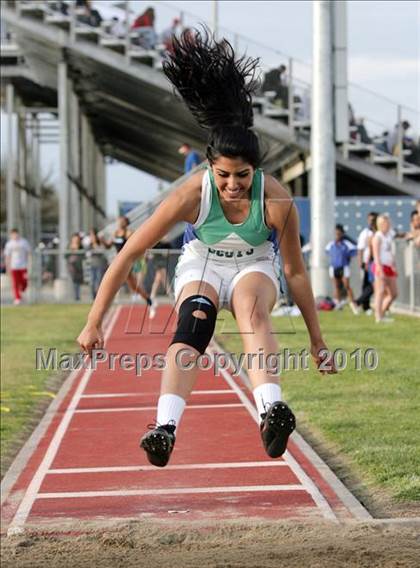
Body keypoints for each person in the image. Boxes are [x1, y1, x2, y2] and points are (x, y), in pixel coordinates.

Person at [77, 29, 336, 469]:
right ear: (209, 168)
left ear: (257, 170)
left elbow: (293, 273)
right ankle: (164, 428)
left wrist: (316, 338)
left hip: (255, 263)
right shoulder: (188, 197)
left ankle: (271, 410)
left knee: (252, 308)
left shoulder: (275, 201)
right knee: (194, 321)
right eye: (224, 176)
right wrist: (93, 321)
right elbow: (127, 255)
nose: (233, 186)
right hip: (203, 263)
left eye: (243, 176)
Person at [104, 215, 153, 307]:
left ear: (126, 223)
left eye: (121, 221)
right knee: (131, 285)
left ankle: (146, 297)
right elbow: (108, 246)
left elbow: (138, 243)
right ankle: (146, 298)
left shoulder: (128, 233)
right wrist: (102, 241)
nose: (119, 223)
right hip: (117, 260)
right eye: (119, 221)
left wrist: (143, 254)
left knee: (127, 283)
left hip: (126, 260)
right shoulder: (116, 233)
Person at [325, 224, 359, 313]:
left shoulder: (347, 244)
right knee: (336, 287)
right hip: (334, 268)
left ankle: (353, 304)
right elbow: (328, 252)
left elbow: (355, 249)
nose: (337, 235)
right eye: (336, 234)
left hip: (344, 267)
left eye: (339, 234)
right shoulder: (330, 244)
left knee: (347, 286)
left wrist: (348, 257)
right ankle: (338, 304)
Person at [371, 215, 398, 323]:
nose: (388, 225)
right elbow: (376, 254)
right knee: (380, 292)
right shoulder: (377, 236)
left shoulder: (388, 236)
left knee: (393, 293)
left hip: (389, 266)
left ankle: (381, 312)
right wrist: (379, 269)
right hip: (380, 266)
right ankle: (378, 316)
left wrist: (394, 265)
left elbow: (390, 252)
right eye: (385, 223)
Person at [355, 212, 378, 314]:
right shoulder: (365, 233)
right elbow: (360, 248)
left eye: (373, 220)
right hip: (369, 262)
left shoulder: (379, 232)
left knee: (368, 285)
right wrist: (361, 262)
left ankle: (365, 306)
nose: (371, 222)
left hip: (375, 261)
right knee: (372, 285)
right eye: (370, 219)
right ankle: (359, 302)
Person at [148, 235, 174, 318]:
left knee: (160, 278)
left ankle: (154, 296)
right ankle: (169, 294)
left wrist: (166, 251)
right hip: (157, 262)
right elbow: (151, 251)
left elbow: (170, 250)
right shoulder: (156, 242)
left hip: (162, 261)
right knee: (161, 277)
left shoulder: (166, 243)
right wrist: (150, 254)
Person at [4, 228, 31, 305]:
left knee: (24, 282)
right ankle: (17, 298)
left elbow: (28, 253)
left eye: (16, 234)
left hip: (23, 266)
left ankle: (22, 290)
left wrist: (29, 264)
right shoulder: (9, 244)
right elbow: (7, 257)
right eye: (13, 234)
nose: (15, 236)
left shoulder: (24, 242)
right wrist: (7, 267)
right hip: (14, 266)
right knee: (15, 283)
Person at [86, 229, 108, 299]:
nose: (91, 237)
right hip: (92, 265)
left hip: (100, 265)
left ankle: (99, 297)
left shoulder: (99, 243)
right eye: (90, 235)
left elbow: (102, 251)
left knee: (99, 281)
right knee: (92, 282)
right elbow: (88, 254)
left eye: (93, 235)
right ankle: (94, 297)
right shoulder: (89, 245)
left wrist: (95, 245)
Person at [66, 233, 85, 302]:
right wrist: (71, 249)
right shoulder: (69, 246)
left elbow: (83, 255)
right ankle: (75, 297)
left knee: (78, 282)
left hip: (79, 266)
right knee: (74, 282)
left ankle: (77, 297)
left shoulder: (81, 246)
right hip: (72, 267)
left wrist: (77, 249)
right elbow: (65, 255)